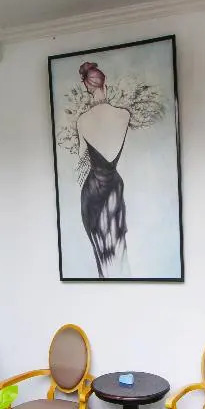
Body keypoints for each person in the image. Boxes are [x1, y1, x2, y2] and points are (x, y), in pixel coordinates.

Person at [76, 62, 131, 278]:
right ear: (104, 84)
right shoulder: (124, 115)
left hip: (93, 192)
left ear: (87, 88)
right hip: (114, 187)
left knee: (102, 254)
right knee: (118, 248)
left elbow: (81, 154)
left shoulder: (82, 120)